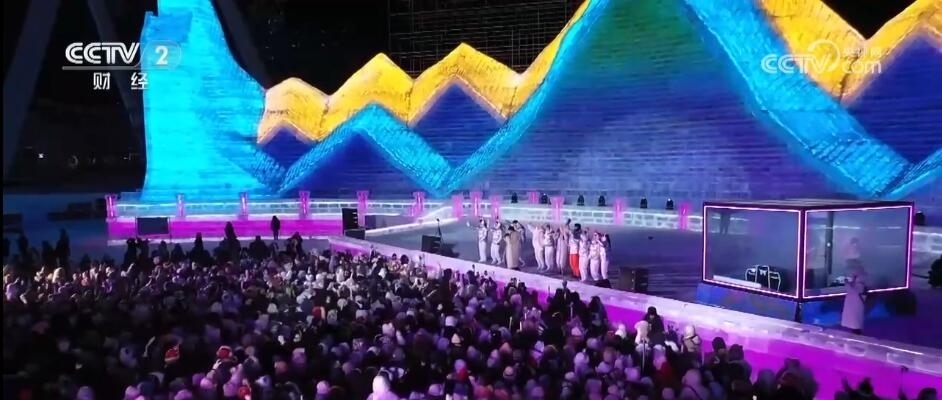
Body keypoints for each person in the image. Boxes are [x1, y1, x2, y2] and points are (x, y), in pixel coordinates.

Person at [841, 263, 867, 334]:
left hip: (857, 303)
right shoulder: (856, 281)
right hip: (854, 303)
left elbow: (853, 290)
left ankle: (858, 333)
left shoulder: (861, 281)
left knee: (856, 321)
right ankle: (856, 332)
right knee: (854, 321)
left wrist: (847, 283)